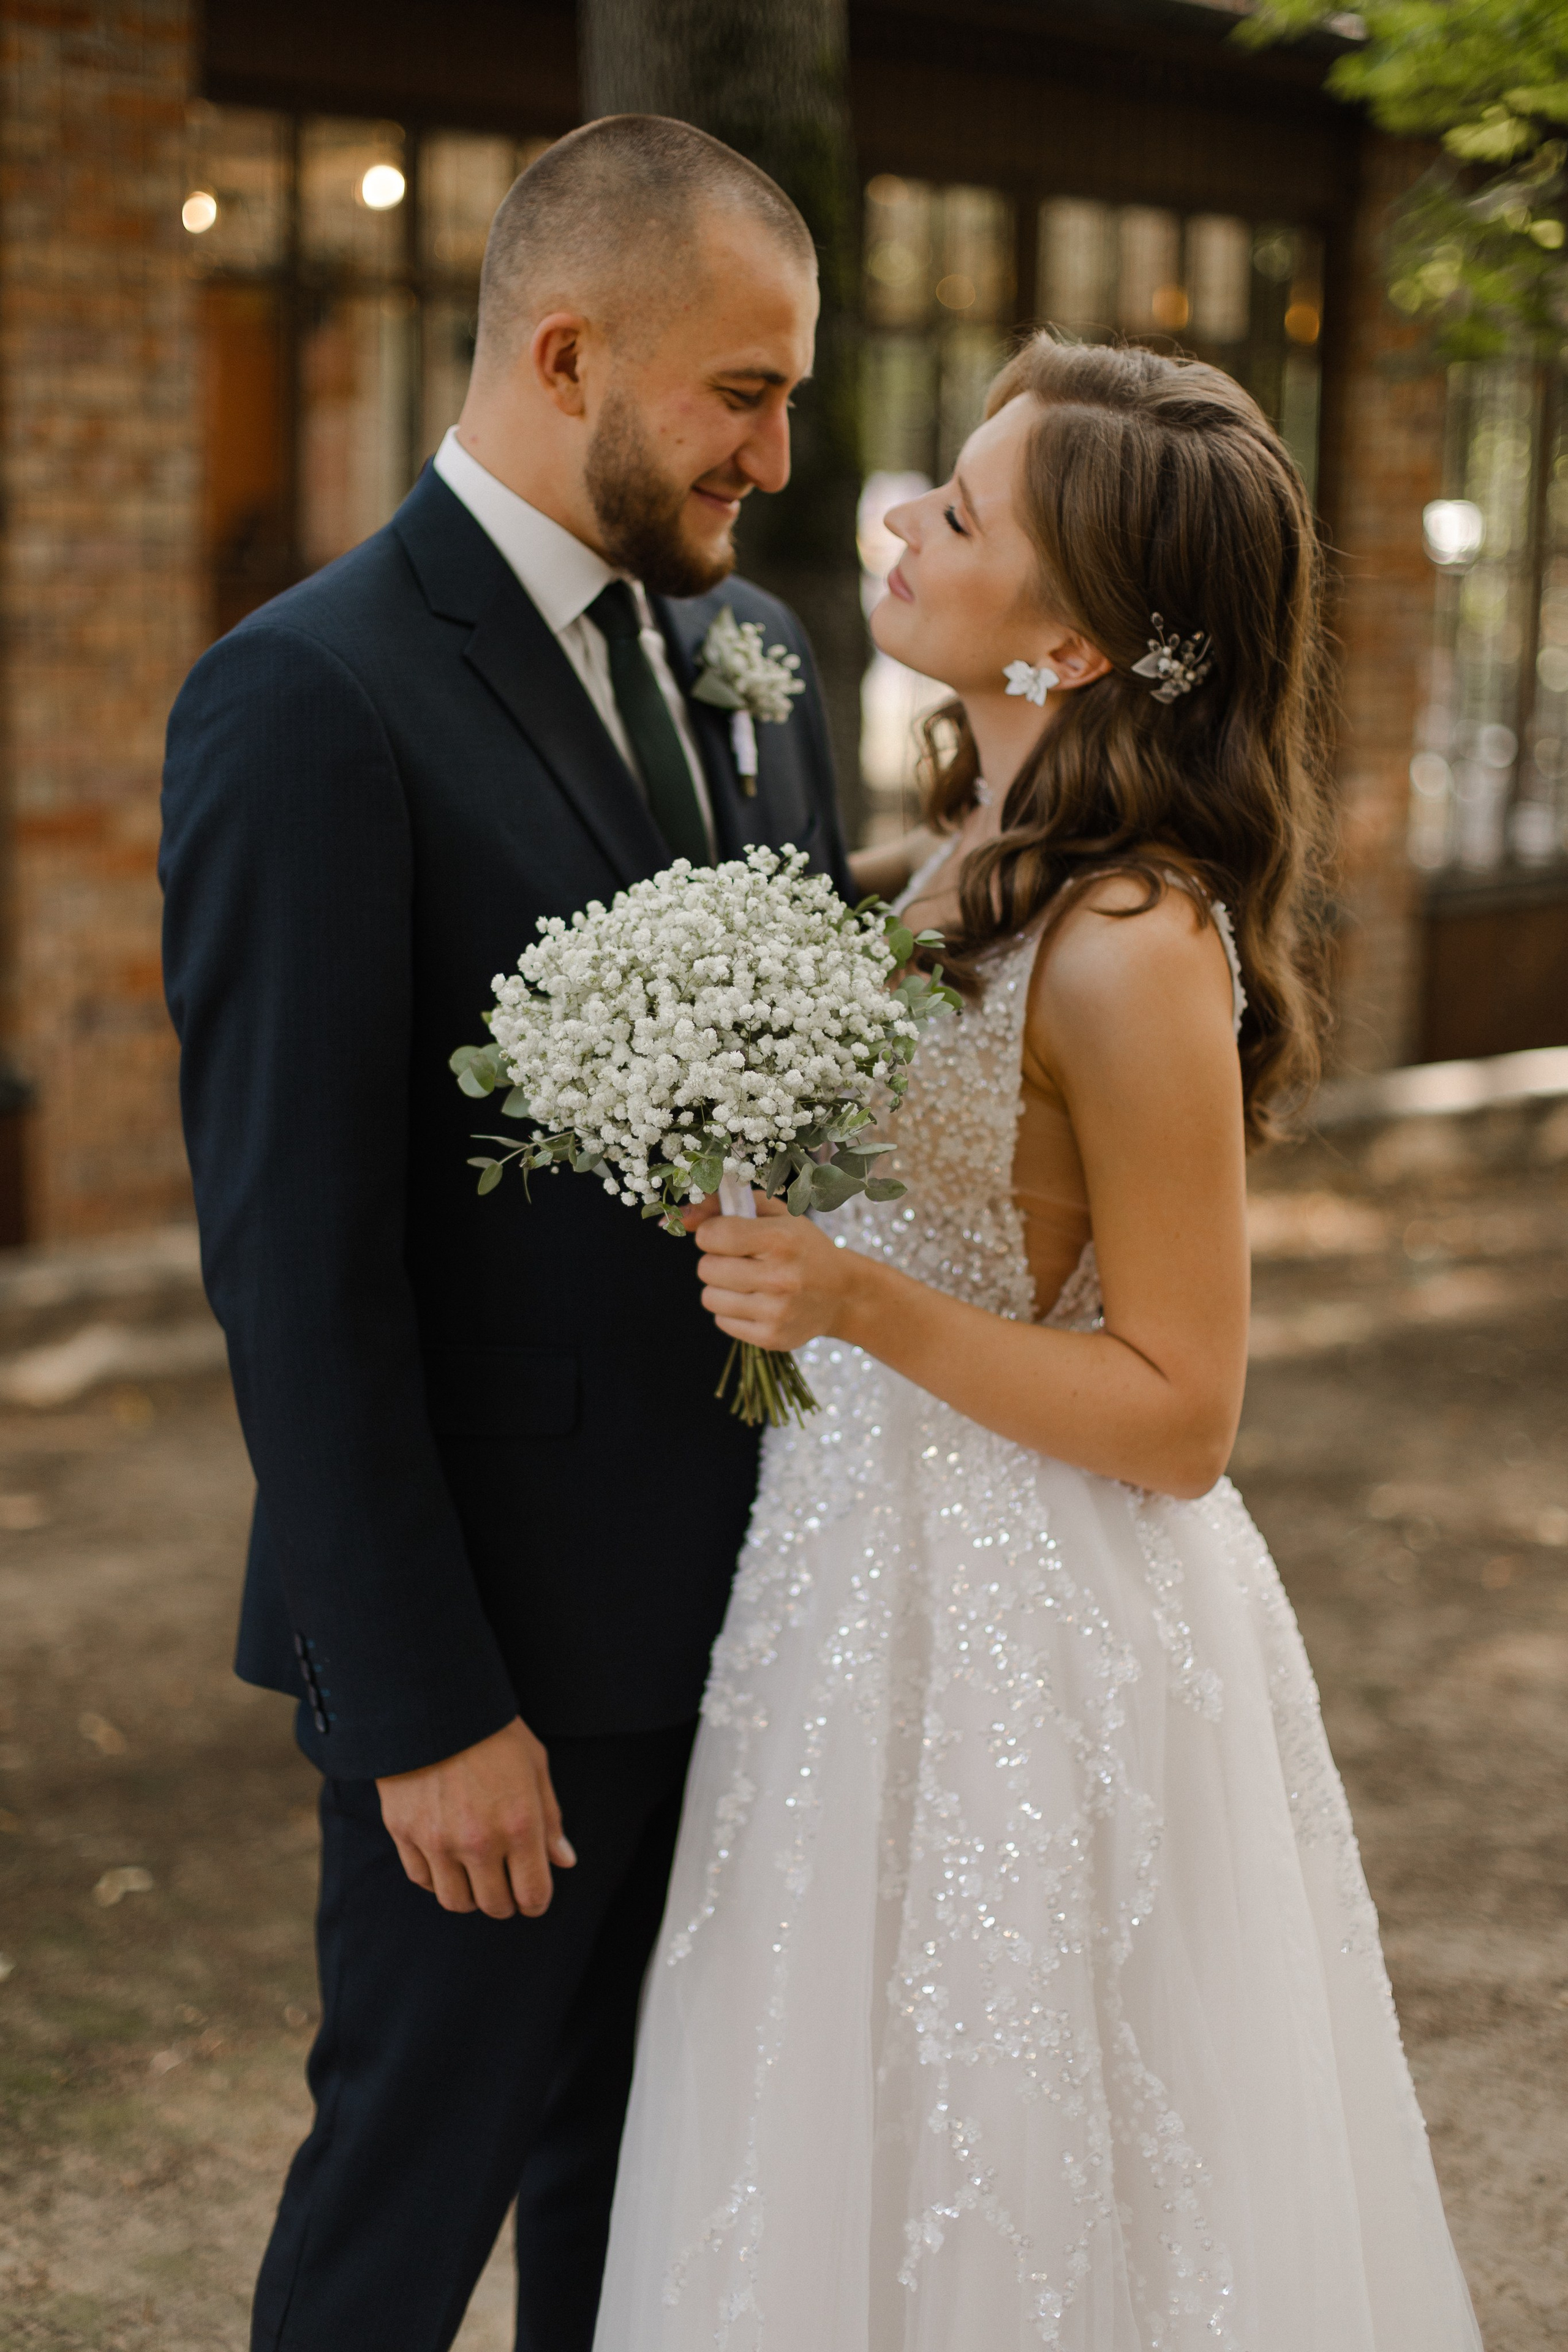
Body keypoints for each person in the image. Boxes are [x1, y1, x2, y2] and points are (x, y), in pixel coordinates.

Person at [594, 339, 1484, 2351]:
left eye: (963, 514)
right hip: (848, 1586)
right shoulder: (939, 877)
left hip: (1031, 1624)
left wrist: (852, 1296)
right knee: (826, 2120)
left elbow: (1184, 1413)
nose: (898, 520)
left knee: (1029, 2149)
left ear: (1075, 638)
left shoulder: (1136, 938)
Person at [160, 116, 850, 2352]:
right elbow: (298, 1257)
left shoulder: (756, 654)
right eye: (740, 393)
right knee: (407, 2200)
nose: (778, 448)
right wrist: (431, 1705)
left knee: (652, 2222)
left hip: (761, 1624)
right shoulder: (311, 696)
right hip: (502, 1668)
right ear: (567, 354)